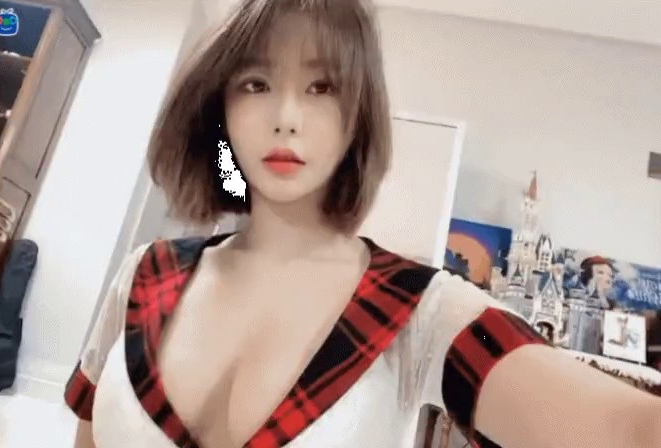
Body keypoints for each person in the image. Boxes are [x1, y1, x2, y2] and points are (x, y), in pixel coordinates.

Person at [65, 1, 661, 447]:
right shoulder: (144, 274)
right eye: (256, 83)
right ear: (219, 109)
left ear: (357, 119)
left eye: (322, 86)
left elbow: (628, 431)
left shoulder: (421, 312)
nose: (287, 116)